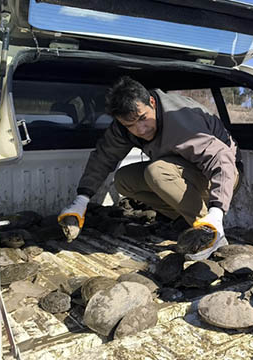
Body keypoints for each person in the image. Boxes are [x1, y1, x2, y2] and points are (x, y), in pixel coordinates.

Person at [58, 76, 241, 260]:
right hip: (184, 169)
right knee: (124, 180)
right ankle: (185, 221)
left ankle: (210, 235)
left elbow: (221, 160)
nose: (141, 129)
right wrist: (81, 200)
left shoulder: (179, 120)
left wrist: (216, 214)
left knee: (157, 172)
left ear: (151, 102)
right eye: (130, 125)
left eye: (143, 118)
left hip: (224, 174)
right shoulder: (123, 127)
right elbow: (103, 158)